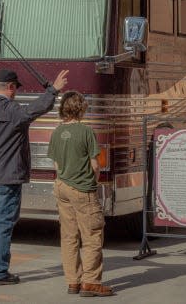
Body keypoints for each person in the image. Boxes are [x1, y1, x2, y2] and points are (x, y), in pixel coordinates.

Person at [0, 68, 68, 286]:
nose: (16, 92)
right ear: (11, 87)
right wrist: (53, 90)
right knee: (3, 223)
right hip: (7, 176)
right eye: (15, 88)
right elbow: (35, 110)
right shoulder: (11, 110)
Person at [48, 91, 113, 297]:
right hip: (82, 189)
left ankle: (73, 282)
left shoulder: (57, 132)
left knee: (69, 237)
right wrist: (92, 183)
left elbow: (56, 164)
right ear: (81, 108)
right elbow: (95, 165)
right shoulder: (86, 132)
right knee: (92, 235)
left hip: (62, 186)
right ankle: (91, 282)